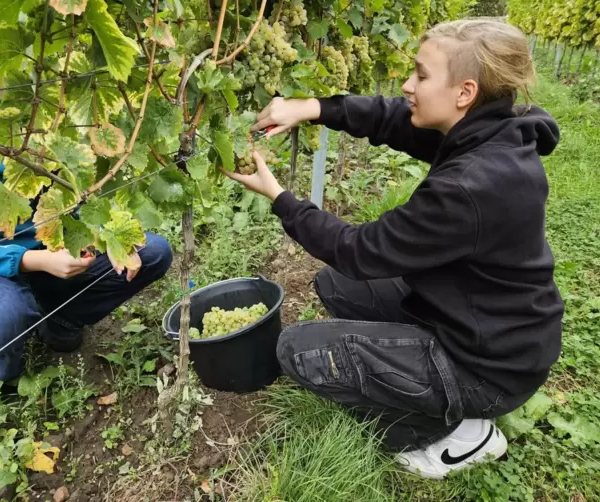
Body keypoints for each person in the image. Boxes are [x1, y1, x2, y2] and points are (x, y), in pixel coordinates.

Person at [226, 19, 563, 479]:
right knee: (335, 285)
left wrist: (281, 198)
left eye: (421, 76)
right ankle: (430, 378)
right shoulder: (488, 131)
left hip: (491, 365)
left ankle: (458, 435)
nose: (407, 85)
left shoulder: (472, 185)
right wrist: (310, 107)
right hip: (487, 324)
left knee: (297, 351)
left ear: (464, 92)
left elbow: (360, 251)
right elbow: (391, 118)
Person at [0, 13, 172, 382]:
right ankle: (7, 374)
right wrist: (31, 260)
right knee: (4, 315)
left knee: (153, 253)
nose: (25, 56)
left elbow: (78, 191)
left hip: (54, 252)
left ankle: (60, 316)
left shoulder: (44, 109)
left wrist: (111, 235)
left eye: (25, 44)